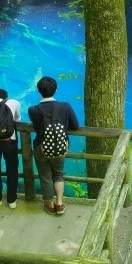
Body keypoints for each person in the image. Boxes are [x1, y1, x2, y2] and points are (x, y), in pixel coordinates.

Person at [28, 76, 79, 215]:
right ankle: (60, 204)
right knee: (58, 175)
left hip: (41, 146)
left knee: (45, 176)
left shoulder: (33, 109)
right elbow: (75, 125)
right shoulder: (65, 106)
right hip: (60, 146)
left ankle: (49, 204)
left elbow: (37, 128)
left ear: (39, 91)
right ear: (55, 90)